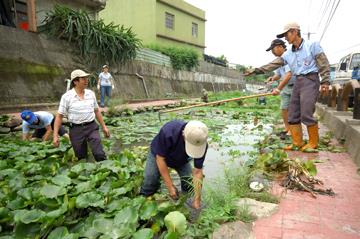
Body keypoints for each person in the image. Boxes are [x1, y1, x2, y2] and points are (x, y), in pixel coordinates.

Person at [246, 22, 330, 151]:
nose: (285, 38)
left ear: (294, 32)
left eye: (286, 35)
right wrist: (255, 71)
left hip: (311, 80)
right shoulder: (288, 53)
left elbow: (323, 63)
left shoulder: (312, 45)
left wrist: (325, 81)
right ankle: (297, 142)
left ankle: (313, 143)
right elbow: (273, 64)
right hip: (299, 81)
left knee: (306, 112)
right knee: (293, 113)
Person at [140, 120, 208, 209]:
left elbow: (198, 171)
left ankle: (185, 205)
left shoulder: (201, 142)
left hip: (181, 159)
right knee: (150, 178)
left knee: (189, 183)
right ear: (184, 135)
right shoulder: (168, 131)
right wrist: (170, 186)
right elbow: (160, 159)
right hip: (159, 155)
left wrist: (197, 200)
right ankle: (143, 202)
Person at [53, 69, 110, 161]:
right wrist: (55, 136)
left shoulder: (90, 94)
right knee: (81, 157)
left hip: (91, 127)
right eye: (83, 78)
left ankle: (106, 170)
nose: (86, 80)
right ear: (75, 81)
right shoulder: (67, 97)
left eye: (86, 78)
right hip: (76, 129)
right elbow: (59, 117)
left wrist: (104, 127)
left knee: (99, 154)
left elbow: (97, 111)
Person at [265, 39, 296, 140]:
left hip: (295, 85)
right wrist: (273, 78)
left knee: (293, 110)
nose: (272, 52)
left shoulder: (288, 57)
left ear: (279, 47)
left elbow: (288, 75)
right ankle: (288, 129)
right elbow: (279, 74)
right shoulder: (279, 59)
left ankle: (293, 132)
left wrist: (278, 89)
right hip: (286, 87)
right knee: (284, 108)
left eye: (273, 49)